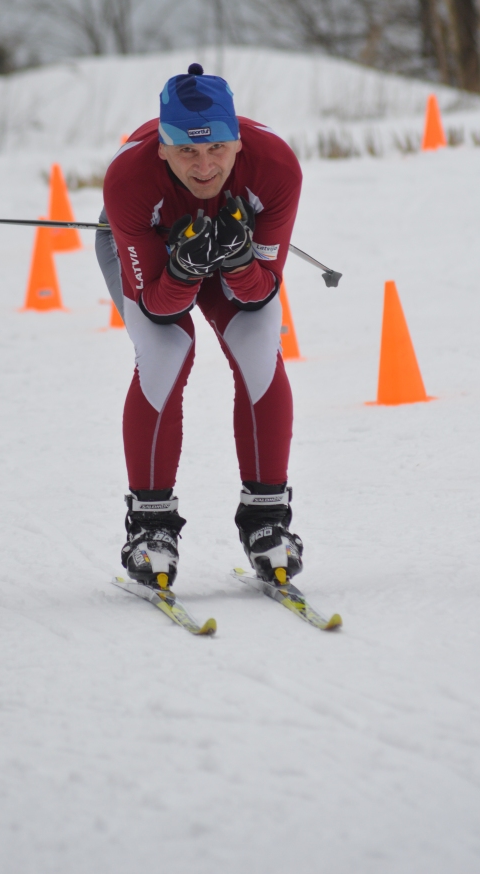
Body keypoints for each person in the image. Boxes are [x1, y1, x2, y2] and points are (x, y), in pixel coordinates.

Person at [96, 62, 303, 590]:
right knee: (168, 351)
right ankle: (150, 527)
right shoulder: (129, 178)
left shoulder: (276, 167)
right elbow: (160, 306)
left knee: (258, 348)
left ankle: (266, 519)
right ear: (162, 147)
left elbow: (258, 294)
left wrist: (236, 262)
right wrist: (185, 267)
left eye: (217, 149)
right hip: (152, 251)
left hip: (240, 253)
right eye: (187, 150)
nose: (205, 166)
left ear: (237, 141)